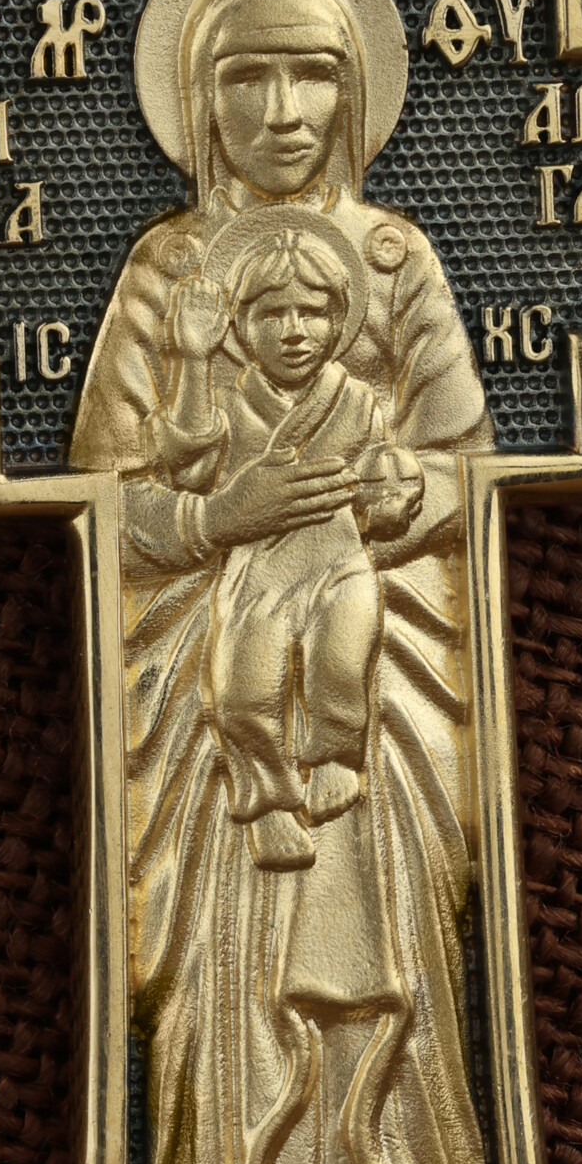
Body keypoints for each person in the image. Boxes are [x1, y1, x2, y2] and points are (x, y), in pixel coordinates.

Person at [72, 0, 553, 1164]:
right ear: (198, 99)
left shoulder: (402, 263)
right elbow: (106, 498)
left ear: (357, 95)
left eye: (315, 77)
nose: (283, 113)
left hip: (383, 724)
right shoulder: (163, 273)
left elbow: (464, 466)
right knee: (241, 1080)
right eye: (247, 78)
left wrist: (378, 493)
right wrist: (220, 515)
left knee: (390, 1065)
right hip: (218, 742)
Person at [155, 216, 423, 865]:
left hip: (340, 563)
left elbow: (383, 472)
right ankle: (268, 802)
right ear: (240, 326)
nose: (295, 331)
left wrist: (391, 498)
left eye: (313, 313)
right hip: (258, 574)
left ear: (339, 321)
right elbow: (186, 467)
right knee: (242, 692)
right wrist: (193, 358)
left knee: (342, 662)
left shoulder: (357, 400)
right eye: (273, 314)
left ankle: (336, 755)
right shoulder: (228, 402)